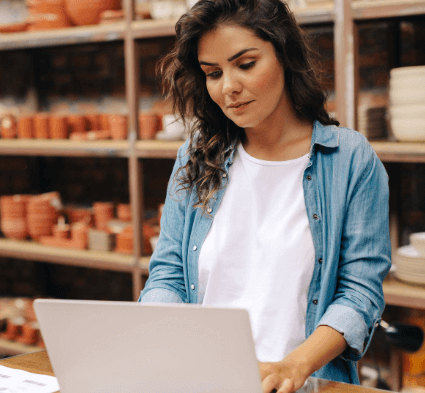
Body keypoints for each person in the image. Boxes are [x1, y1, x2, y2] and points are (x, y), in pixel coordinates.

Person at [138, 0, 391, 392]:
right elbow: (169, 273)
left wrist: (293, 367)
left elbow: (359, 292)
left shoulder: (350, 160)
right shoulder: (196, 157)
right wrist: (153, 339)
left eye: (246, 64)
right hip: (204, 381)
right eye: (214, 73)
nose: (228, 87)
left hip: (302, 383)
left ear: (284, 55)